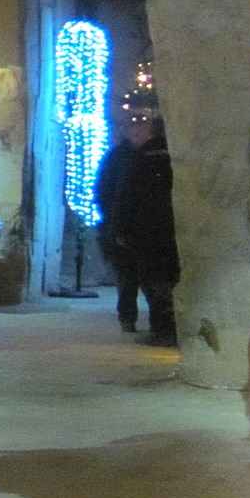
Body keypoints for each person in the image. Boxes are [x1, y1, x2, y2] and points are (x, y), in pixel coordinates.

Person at [95, 101, 179, 346]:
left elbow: (122, 194)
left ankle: (159, 327)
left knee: (150, 280)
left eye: (141, 124)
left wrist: (118, 223)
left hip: (142, 230)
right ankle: (134, 318)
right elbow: (110, 191)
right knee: (136, 277)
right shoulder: (124, 156)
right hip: (145, 230)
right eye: (132, 125)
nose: (136, 129)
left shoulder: (143, 158)